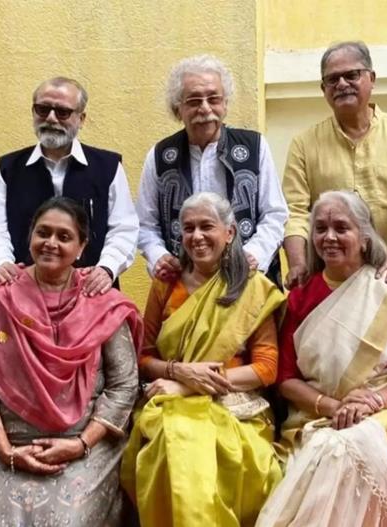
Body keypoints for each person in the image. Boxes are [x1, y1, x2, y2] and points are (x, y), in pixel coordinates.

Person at [256, 191, 387, 527]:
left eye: (342, 228)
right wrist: (332, 406)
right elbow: (285, 379)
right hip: (315, 415)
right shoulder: (300, 298)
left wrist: (372, 401)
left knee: (346, 444)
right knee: (333, 444)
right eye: (320, 228)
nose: (329, 237)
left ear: (365, 237)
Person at [0, 197, 142, 526]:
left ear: (82, 247)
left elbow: (124, 385)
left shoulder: (101, 303)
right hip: (2, 442)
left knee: (67, 520)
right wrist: (6, 450)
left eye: (64, 237)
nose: (51, 243)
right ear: (29, 237)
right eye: (42, 233)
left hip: (84, 445)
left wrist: (80, 444)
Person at [121, 192, 285, 527]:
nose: (196, 236)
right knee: (171, 444)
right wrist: (179, 372)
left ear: (229, 233)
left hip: (235, 403)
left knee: (221, 449)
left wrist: (193, 385)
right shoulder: (166, 284)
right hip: (167, 398)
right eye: (188, 228)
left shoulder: (253, 287)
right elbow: (144, 356)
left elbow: (267, 368)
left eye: (206, 226)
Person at [283, 41, 387, 289]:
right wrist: (298, 264)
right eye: (333, 79)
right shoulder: (304, 144)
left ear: (371, 79)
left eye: (351, 75)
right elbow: (295, 212)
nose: (342, 84)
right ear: (324, 89)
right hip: (329, 282)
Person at [0, 76, 139, 296]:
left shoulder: (107, 167)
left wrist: (107, 268)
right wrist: (1, 263)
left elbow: (124, 228)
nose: (51, 118)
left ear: (81, 118)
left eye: (62, 112)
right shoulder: (9, 168)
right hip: (23, 295)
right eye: (42, 109)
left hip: (91, 295)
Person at [136, 55, 288, 287]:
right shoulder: (160, 156)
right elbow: (146, 224)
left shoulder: (254, 147)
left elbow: (275, 214)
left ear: (225, 104)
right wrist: (159, 256)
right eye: (194, 100)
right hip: (185, 282)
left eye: (213, 99)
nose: (205, 108)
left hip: (248, 280)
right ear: (178, 109)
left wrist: (253, 255)